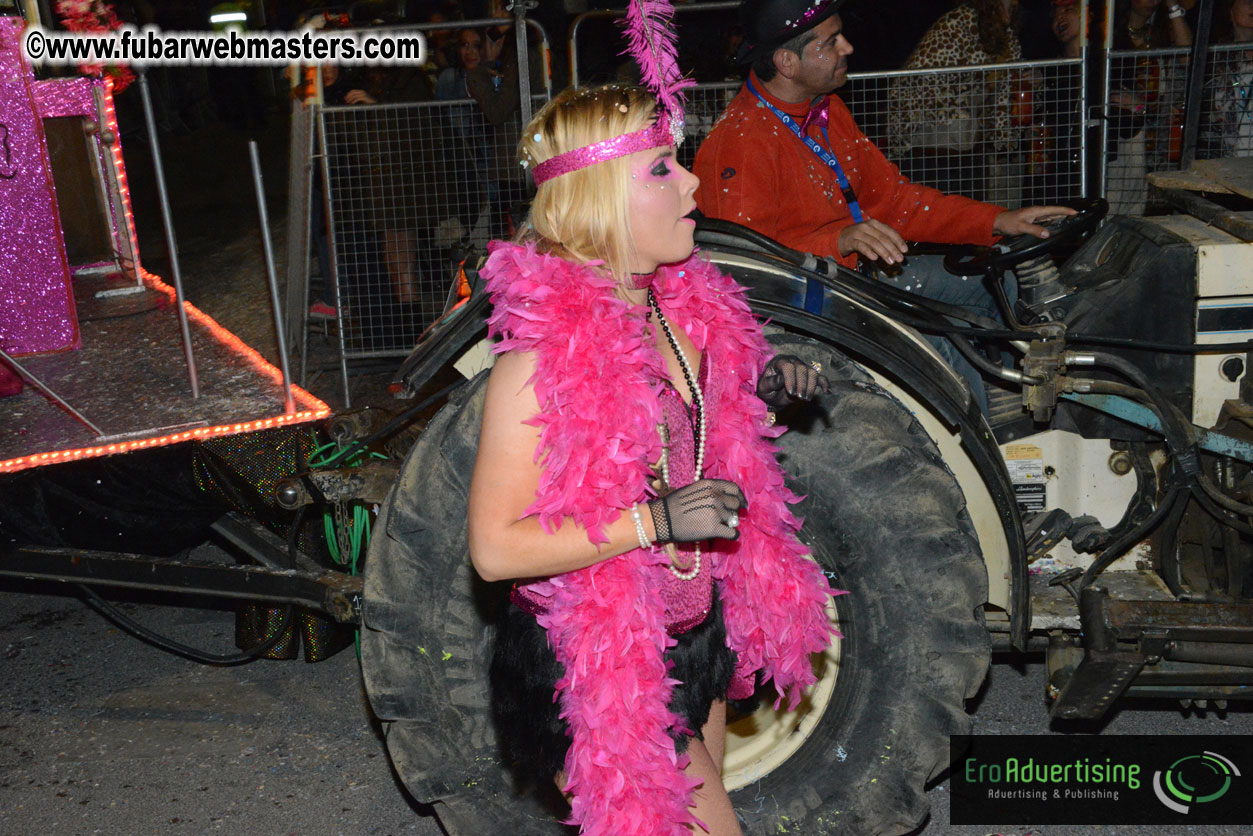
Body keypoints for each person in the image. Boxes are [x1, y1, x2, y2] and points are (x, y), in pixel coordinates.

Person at [467, 83, 836, 835]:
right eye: (662, 168)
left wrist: (759, 387)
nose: (694, 181)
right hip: (597, 666)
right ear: (600, 196)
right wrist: (652, 523)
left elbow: (688, 436)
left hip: (695, 637)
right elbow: (494, 550)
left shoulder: (680, 309)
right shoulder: (536, 365)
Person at [693, 0, 1074, 413]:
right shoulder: (739, 144)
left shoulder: (826, 111)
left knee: (996, 282)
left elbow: (895, 201)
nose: (848, 48)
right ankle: (985, 432)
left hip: (856, 277)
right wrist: (838, 241)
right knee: (941, 351)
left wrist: (998, 219)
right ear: (786, 62)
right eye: (831, 42)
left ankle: (1016, 405)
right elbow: (747, 271)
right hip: (812, 306)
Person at [889, 0, 1031, 204]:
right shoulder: (961, 22)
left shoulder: (1008, 38)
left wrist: (1003, 137)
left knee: (967, 197)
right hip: (936, 133)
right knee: (940, 198)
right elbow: (923, 80)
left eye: (1012, 6)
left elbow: (1005, 88)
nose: (1011, 8)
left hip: (967, 141)